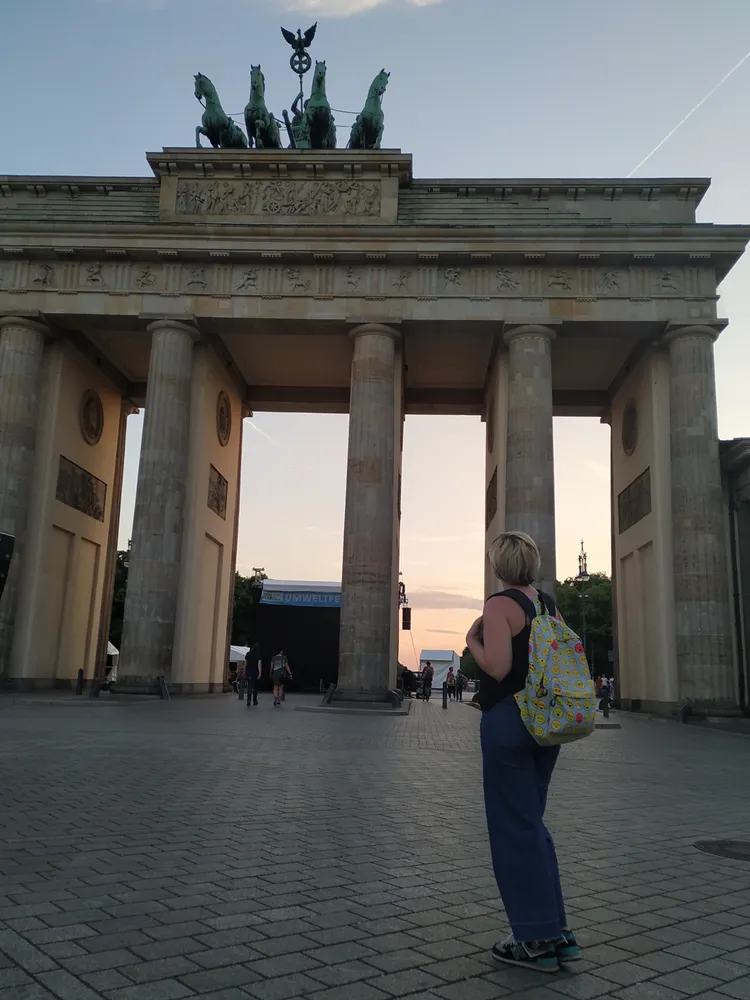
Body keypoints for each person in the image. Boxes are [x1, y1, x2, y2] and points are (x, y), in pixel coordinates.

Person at [465, 530, 579, 973]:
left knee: (513, 828)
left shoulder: (499, 605)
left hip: (510, 721)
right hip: (546, 725)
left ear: (498, 566)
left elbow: (499, 667)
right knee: (532, 824)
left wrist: (473, 642)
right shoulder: (549, 605)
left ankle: (533, 940)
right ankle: (557, 932)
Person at [244, 641, 261, 707]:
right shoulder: (258, 654)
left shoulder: (248, 654)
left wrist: (244, 672)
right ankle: (254, 700)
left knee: (250, 687)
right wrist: (260, 673)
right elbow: (259, 664)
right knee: (255, 687)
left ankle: (248, 700)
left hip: (249, 672)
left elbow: (245, 664)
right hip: (256, 672)